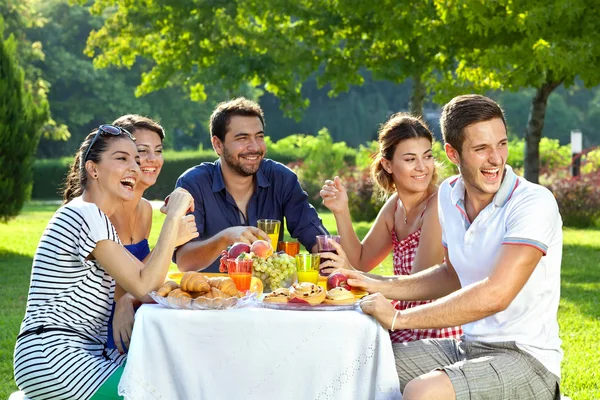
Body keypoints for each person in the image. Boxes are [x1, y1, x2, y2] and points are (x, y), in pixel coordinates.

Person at [328, 95, 562, 399]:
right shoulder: (450, 196)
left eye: (501, 144)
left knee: (423, 392)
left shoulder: (533, 202)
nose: (496, 159)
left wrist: (400, 319)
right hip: (467, 345)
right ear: (453, 153)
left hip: (526, 359)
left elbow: (496, 294)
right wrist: (373, 283)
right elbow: (450, 276)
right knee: (357, 366)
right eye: (481, 149)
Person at [13, 125, 197, 399]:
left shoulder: (98, 222)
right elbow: (144, 285)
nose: (134, 167)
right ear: (93, 169)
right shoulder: (85, 214)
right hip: (53, 354)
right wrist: (172, 221)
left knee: (175, 374)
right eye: (122, 158)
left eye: (136, 159)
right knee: (163, 390)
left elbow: (147, 282)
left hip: (85, 351)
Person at [319, 113, 461, 343]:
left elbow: (418, 285)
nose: (422, 167)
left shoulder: (438, 204)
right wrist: (341, 211)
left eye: (427, 156)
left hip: (437, 329)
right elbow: (361, 260)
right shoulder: (395, 206)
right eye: (410, 159)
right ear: (387, 164)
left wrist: (352, 274)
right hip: (404, 320)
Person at [174, 97, 329, 272]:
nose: (255, 147)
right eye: (243, 138)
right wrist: (226, 237)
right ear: (218, 145)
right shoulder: (193, 184)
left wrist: (331, 257)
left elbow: (315, 235)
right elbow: (184, 262)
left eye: (259, 136)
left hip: (270, 296)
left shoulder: (282, 179)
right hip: (214, 296)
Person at [107, 115, 194, 353]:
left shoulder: (144, 209)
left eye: (158, 150)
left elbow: (143, 280)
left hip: (139, 317)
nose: (152, 160)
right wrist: (171, 240)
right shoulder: (103, 211)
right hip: (103, 328)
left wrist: (129, 299)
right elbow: (113, 286)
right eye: (142, 151)